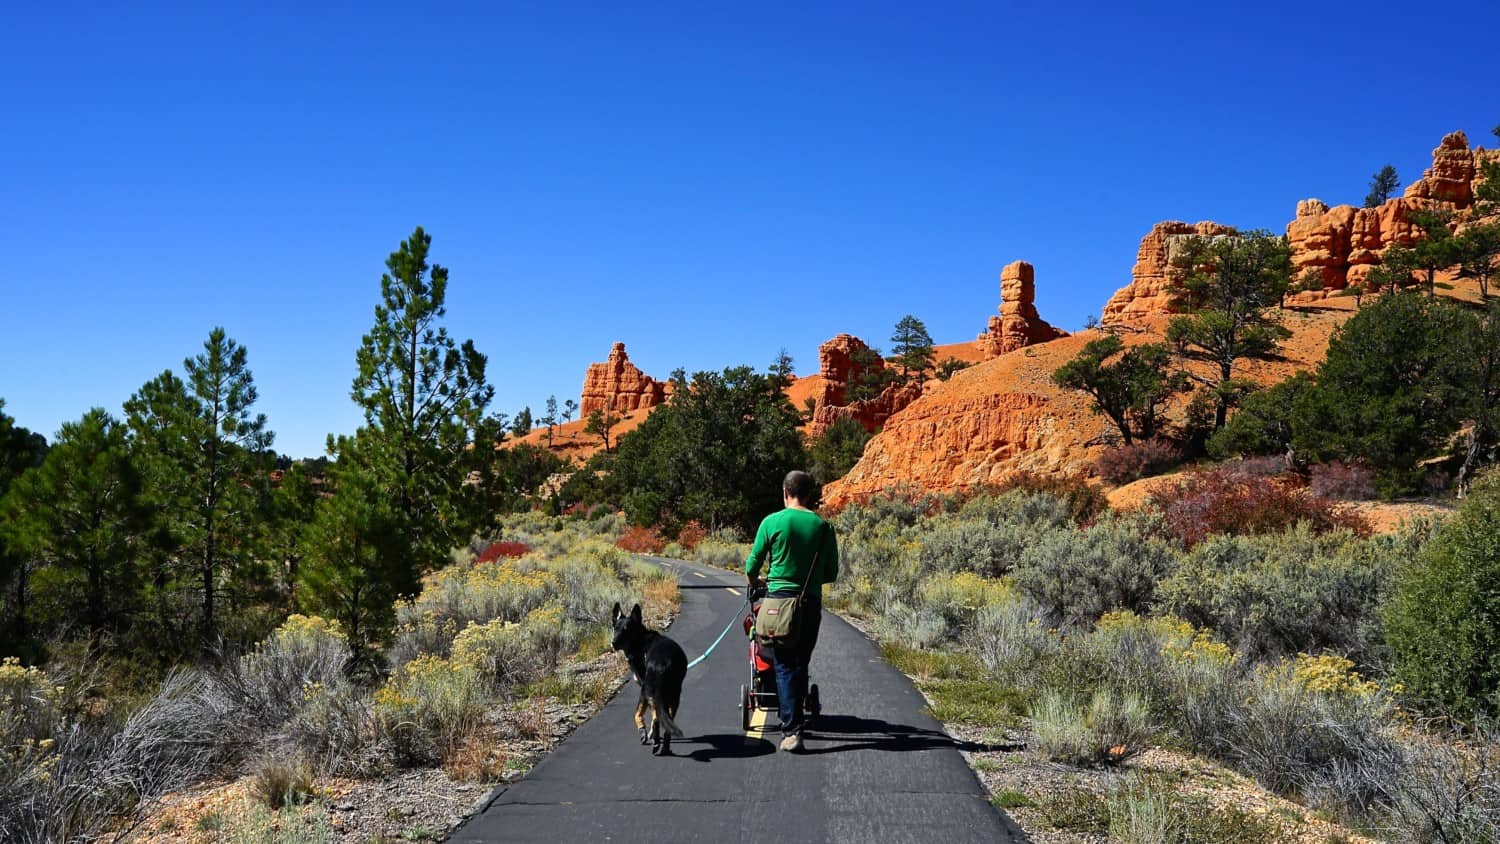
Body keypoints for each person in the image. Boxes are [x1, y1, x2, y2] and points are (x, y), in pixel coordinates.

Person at [745, 470, 839, 752]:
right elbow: (830, 573)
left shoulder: (772, 522)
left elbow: (752, 566)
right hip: (809, 604)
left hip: (777, 603)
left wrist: (759, 582)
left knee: (784, 664)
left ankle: (792, 730)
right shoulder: (823, 527)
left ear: (785, 492)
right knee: (800, 662)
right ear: (809, 494)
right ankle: (796, 718)